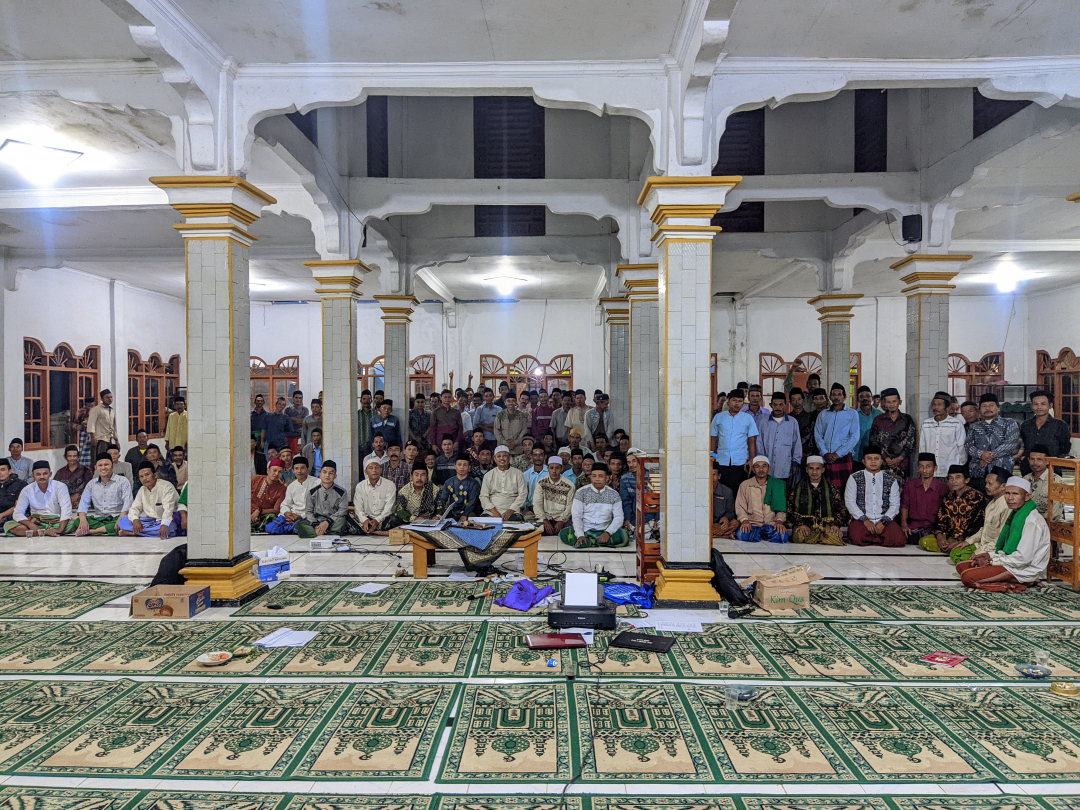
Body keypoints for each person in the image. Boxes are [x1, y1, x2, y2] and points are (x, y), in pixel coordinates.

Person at [956, 477, 1050, 589]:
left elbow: (1023, 559)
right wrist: (988, 555)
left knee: (967, 577)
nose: (1010, 498)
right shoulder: (1016, 514)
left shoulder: (1031, 521)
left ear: (1027, 496)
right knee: (962, 566)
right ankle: (1006, 580)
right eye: (1007, 493)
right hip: (1012, 563)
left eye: (1015, 494)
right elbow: (1008, 552)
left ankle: (1011, 584)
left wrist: (992, 561)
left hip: (1023, 569)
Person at [949, 466, 1012, 565]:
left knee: (962, 559)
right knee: (955, 553)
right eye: (986, 483)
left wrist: (979, 552)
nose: (986, 486)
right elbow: (984, 528)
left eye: (990, 483)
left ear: (1003, 486)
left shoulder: (1007, 506)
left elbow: (1001, 538)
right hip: (982, 544)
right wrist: (968, 542)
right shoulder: (992, 503)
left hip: (993, 548)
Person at [844, 445, 904, 547]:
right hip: (861, 520)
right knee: (857, 537)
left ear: (881, 461)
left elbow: (895, 505)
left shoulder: (891, 480)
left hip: (884, 519)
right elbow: (850, 502)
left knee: (899, 540)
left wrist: (883, 522)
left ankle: (873, 538)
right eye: (869, 459)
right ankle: (879, 538)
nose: (873, 461)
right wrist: (865, 520)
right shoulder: (854, 478)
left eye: (876, 459)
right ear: (863, 461)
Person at [561, 461, 628, 548]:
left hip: (604, 530)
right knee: (564, 534)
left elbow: (619, 517)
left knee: (623, 535)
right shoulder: (581, 492)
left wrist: (608, 533)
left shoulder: (614, 494)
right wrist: (580, 535)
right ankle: (592, 540)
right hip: (585, 530)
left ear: (607, 478)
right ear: (590, 478)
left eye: (601, 476)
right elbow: (577, 516)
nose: (597, 479)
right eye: (594, 476)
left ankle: (590, 542)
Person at [921, 465, 985, 554]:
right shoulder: (949, 496)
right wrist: (940, 537)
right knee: (924, 541)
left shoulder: (976, 497)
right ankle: (949, 548)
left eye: (958, 477)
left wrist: (960, 541)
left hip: (968, 540)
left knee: (961, 551)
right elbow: (940, 520)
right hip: (950, 537)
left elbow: (978, 525)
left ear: (967, 480)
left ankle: (954, 548)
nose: (953, 481)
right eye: (951, 478)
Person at [965, 393, 1021, 488]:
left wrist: (989, 456)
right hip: (978, 471)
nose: (987, 409)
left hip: (1002, 469)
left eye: (991, 405)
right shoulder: (974, 427)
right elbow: (968, 446)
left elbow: (1010, 444)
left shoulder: (1009, 423)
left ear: (998, 408)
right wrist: (981, 454)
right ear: (980, 410)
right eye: (984, 406)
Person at [786, 456, 845, 545]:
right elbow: (789, 509)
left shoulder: (831, 488)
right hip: (805, 525)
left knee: (835, 538)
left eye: (817, 469)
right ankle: (821, 538)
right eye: (811, 468)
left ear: (823, 470)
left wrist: (836, 525)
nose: (814, 472)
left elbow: (841, 509)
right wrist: (800, 524)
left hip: (827, 525)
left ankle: (819, 537)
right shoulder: (798, 488)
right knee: (799, 537)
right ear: (806, 470)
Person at [4, 461, 74, 536]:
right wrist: (31, 525)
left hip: (56, 522)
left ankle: (40, 532)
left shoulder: (60, 487)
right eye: (38, 474)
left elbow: (66, 509)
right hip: (36, 522)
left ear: (50, 474)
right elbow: (18, 513)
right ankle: (45, 532)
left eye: (45, 474)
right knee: (8, 525)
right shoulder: (27, 490)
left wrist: (60, 528)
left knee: (74, 524)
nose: (42, 477)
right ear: (33, 476)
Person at [710, 389, 759, 495]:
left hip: (741, 461)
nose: (737, 403)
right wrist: (712, 456)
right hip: (722, 460)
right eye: (734, 400)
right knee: (722, 491)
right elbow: (713, 438)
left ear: (743, 403)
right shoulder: (719, 417)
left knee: (739, 491)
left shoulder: (748, 418)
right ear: (728, 402)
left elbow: (751, 440)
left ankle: (738, 512)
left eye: (740, 401)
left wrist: (752, 459)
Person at [815, 383, 861, 491]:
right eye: (833, 395)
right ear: (830, 397)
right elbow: (818, 436)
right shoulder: (823, 414)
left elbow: (854, 436)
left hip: (843, 457)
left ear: (844, 397)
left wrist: (838, 454)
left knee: (845, 490)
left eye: (839, 394)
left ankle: (844, 509)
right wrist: (825, 453)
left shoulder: (852, 414)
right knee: (826, 490)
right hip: (826, 458)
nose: (836, 397)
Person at [734, 456, 789, 543]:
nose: (761, 469)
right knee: (742, 535)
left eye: (764, 466)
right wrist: (744, 520)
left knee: (783, 537)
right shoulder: (745, 485)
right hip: (752, 524)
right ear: (753, 469)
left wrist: (779, 521)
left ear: (769, 469)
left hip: (771, 524)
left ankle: (758, 536)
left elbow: (781, 508)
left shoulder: (777, 485)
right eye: (757, 466)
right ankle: (762, 535)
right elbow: (740, 507)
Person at [867, 388, 918, 481]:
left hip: (902, 466)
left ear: (900, 402)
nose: (891, 404)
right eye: (889, 402)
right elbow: (873, 441)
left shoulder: (907, 419)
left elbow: (911, 442)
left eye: (894, 401)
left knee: (902, 493)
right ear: (884, 404)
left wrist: (899, 458)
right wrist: (886, 458)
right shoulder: (878, 420)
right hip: (883, 464)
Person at [118, 461, 178, 538]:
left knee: (170, 529)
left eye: (147, 475)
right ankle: (145, 532)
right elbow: (134, 508)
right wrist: (135, 520)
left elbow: (168, 510)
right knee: (123, 520)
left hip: (165, 520)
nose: (144, 479)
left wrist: (164, 524)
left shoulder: (166, 487)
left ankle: (134, 532)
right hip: (149, 521)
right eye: (141, 476)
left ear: (155, 475)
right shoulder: (142, 489)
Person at [1019, 390, 1072, 476]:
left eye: (1043, 404)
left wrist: (1054, 460)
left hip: (1052, 468)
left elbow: (1065, 447)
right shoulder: (1026, 425)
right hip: (1029, 467)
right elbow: (1024, 444)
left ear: (1050, 405)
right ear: (1032, 406)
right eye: (1036, 404)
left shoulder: (1060, 425)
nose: (1039, 407)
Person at [900, 453, 949, 544]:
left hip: (933, 529)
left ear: (935, 468)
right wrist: (904, 524)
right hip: (913, 527)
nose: (925, 470)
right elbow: (904, 505)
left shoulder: (942, 488)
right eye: (921, 467)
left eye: (928, 466)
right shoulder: (910, 485)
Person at [265, 456, 320, 535]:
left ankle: (290, 528)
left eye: (302, 468)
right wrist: (287, 513)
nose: (299, 471)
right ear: (293, 470)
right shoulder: (291, 486)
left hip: (305, 517)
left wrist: (300, 516)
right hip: (291, 516)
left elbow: (318, 506)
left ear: (308, 469)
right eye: (296, 468)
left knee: (300, 527)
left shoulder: (317, 483)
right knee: (269, 528)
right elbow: (286, 504)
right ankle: (291, 527)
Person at [295, 460, 351, 538]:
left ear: (335, 476)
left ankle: (317, 534)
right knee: (299, 524)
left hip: (333, 522)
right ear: (320, 475)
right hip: (317, 522)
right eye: (324, 472)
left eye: (331, 473)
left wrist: (327, 522)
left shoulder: (342, 492)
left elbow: (342, 511)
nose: (327, 475)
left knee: (342, 520)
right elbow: (308, 511)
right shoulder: (312, 492)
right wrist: (315, 525)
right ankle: (325, 533)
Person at [920, 391, 967, 478]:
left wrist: (958, 467)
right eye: (934, 404)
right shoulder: (926, 424)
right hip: (931, 472)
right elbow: (922, 448)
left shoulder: (956, 424)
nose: (936, 407)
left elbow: (962, 448)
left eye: (939, 404)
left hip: (950, 471)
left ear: (948, 407)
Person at [758, 392, 802, 485]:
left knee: (784, 495)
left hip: (785, 466)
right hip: (767, 467)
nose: (778, 408)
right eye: (775, 405)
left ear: (785, 405)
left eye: (781, 405)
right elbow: (759, 443)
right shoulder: (764, 422)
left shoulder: (792, 422)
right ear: (771, 405)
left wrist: (795, 462)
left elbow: (796, 443)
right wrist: (762, 462)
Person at [479, 445, 528, 521]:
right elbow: (483, 496)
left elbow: (523, 494)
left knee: (516, 526)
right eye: (499, 456)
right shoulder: (488, 475)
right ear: (494, 459)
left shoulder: (518, 474)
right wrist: (494, 512)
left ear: (509, 458)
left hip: (513, 511)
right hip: (491, 511)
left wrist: (510, 510)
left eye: (505, 456)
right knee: (484, 526)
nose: (502, 458)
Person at [354, 458, 398, 534]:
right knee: (350, 517)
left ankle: (366, 530)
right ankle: (375, 530)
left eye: (377, 467)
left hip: (383, 519)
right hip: (366, 518)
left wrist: (377, 520)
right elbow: (358, 507)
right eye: (370, 468)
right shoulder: (360, 486)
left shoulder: (390, 485)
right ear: (366, 472)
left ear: (381, 470)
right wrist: (365, 520)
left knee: (395, 520)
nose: (374, 470)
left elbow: (389, 508)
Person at [387, 463, 439, 528]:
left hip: (429, 521)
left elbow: (441, 506)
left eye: (423, 475)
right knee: (394, 519)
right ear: (411, 477)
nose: (419, 478)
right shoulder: (404, 491)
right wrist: (415, 519)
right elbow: (399, 510)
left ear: (426, 477)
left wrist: (438, 516)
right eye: (416, 475)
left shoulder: (434, 489)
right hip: (409, 522)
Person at [534, 456, 575, 536]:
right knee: (534, 532)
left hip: (562, 518)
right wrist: (544, 520)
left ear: (562, 469)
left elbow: (570, 505)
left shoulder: (569, 485)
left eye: (557, 468)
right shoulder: (541, 483)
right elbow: (537, 503)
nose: (554, 471)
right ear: (548, 469)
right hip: (545, 517)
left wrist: (561, 521)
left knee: (570, 532)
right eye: (551, 468)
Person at [1024, 444, 1066, 522]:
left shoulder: (1056, 481)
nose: (1035, 463)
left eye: (1039, 459)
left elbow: (1055, 512)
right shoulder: (1025, 480)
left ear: (1047, 461)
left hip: (1050, 525)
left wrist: (1036, 523)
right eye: (1032, 459)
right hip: (1027, 522)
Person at [438, 455, 481, 522]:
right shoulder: (448, 482)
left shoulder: (474, 483)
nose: (462, 467)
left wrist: (465, 514)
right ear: (455, 467)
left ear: (469, 467)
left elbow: (472, 503)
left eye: (465, 465)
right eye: (459, 464)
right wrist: (439, 515)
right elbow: (443, 500)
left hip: (469, 513)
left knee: (471, 518)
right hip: (452, 513)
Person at [249, 459, 288, 532]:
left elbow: (276, 510)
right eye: (274, 470)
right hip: (246, 513)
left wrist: (259, 511)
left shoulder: (282, 489)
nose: (276, 474)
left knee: (272, 517)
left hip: (263, 516)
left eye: (280, 472)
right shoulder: (255, 479)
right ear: (268, 471)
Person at [54, 444, 92, 510]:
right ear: (65, 457)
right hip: (64, 505)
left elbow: (90, 488)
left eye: (74, 456)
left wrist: (78, 496)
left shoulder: (86, 471)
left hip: (82, 504)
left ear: (78, 457)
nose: (72, 458)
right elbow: (54, 489)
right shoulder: (60, 472)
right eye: (69, 456)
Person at [854, 385, 883, 466]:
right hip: (858, 457)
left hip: (876, 457)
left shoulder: (880, 415)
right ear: (857, 399)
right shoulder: (853, 416)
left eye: (867, 396)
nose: (865, 398)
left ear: (872, 398)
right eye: (861, 396)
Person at [494, 392, 530, 457]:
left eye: (513, 401)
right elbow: (496, 431)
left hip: (518, 449)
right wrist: (505, 442)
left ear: (516, 402)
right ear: (505, 402)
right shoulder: (500, 415)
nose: (511, 403)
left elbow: (524, 430)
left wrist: (515, 443)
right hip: (503, 448)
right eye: (508, 401)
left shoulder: (521, 416)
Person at [87, 389, 118, 463]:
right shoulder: (96, 409)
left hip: (109, 439)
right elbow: (91, 423)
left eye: (111, 397)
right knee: (99, 459)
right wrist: (92, 437)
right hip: (99, 439)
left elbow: (114, 426)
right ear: (102, 399)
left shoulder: (111, 410)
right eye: (107, 397)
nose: (109, 399)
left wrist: (116, 439)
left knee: (108, 459)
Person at [710, 462, 739, 538]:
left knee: (735, 523)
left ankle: (714, 534)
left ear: (719, 476)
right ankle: (723, 535)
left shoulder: (727, 491)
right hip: (704, 522)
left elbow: (731, 512)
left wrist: (726, 518)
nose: (711, 477)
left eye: (714, 475)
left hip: (719, 523)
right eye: (708, 474)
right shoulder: (700, 489)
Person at [790, 389, 817, 463]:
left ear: (803, 400)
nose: (797, 402)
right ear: (790, 402)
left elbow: (813, 437)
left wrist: (805, 452)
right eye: (794, 400)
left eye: (799, 399)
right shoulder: (787, 419)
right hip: (790, 455)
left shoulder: (811, 417)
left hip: (807, 455)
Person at [522, 446, 549, 518]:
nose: (538, 457)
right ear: (531, 456)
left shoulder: (551, 473)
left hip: (548, 509)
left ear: (545, 456)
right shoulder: (525, 475)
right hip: (531, 509)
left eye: (540, 455)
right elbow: (524, 494)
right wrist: (530, 506)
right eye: (535, 455)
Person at [0, 460, 28, 527]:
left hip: (13, 516)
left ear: (10, 471)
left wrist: (2, 515)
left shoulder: (20, 484)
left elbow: (18, 506)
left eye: (2, 470)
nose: (0, 473)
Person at [620, 453, 639, 533]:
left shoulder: (650, 476)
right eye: (629, 462)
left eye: (634, 461)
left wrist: (657, 518)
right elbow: (626, 501)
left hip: (650, 517)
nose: (631, 465)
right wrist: (627, 518)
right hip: (633, 518)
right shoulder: (625, 479)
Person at [357, 389, 375, 457]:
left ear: (371, 401)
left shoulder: (377, 414)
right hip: (359, 448)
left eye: (368, 399)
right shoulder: (356, 415)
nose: (366, 401)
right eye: (364, 399)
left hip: (373, 448)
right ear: (361, 401)